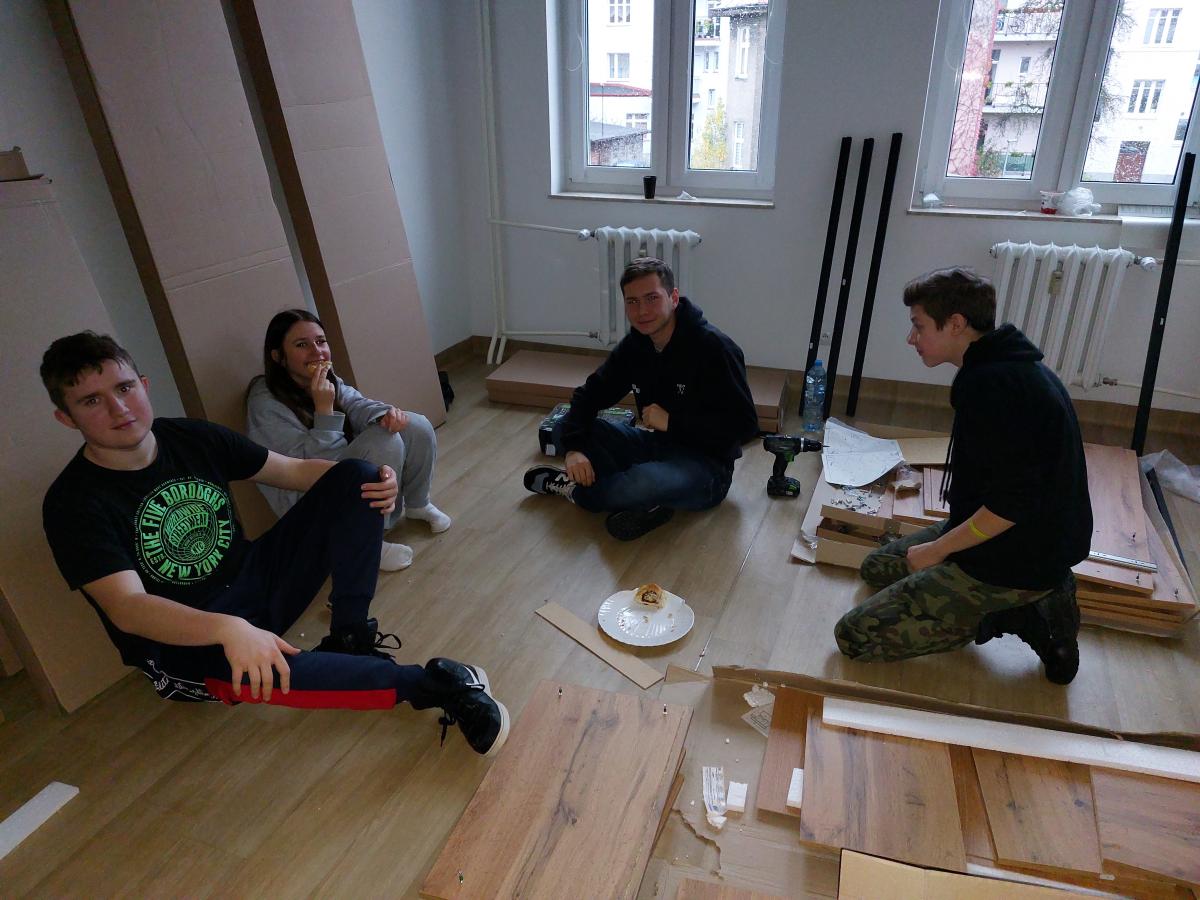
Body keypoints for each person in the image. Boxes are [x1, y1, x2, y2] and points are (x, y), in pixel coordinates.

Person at [40, 332, 508, 756]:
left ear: (143, 385)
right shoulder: (73, 503)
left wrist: (376, 480)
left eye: (124, 389)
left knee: (357, 476)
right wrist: (227, 629)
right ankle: (434, 685)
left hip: (254, 582)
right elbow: (128, 608)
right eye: (91, 401)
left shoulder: (189, 436)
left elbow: (293, 470)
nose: (118, 408)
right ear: (66, 418)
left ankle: (349, 638)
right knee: (264, 673)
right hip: (191, 640)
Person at [834, 268, 1092, 684]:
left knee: (855, 636)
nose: (911, 338)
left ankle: (1018, 611)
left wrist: (938, 550)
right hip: (1010, 533)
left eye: (919, 326)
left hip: (1019, 556)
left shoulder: (995, 388)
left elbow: (1012, 505)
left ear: (956, 324)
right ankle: (1012, 595)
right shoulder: (1001, 365)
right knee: (877, 567)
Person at [523, 257, 760, 540]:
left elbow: (745, 427)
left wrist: (673, 422)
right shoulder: (636, 346)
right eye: (632, 302)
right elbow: (589, 395)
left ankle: (580, 490)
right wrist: (574, 449)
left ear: (673, 297)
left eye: (652, 298)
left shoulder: (714, 348)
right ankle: (645, 503)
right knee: (567, 426)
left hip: (707, 467)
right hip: (656, 445)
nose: (642, 311)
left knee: (642, 481)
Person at [245, 309, 450, 572]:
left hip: (338, 481)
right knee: (384, 441)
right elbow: (312, 470)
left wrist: (386, 414)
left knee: (415, 425)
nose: (317, 352)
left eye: (321, 341)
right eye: (302, 345)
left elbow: (357, 404)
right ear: (278, 357)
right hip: (305, 504)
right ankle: (366, 543)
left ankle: (418, 504)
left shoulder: (323, 379)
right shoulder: (265, 404)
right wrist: (324, 410)